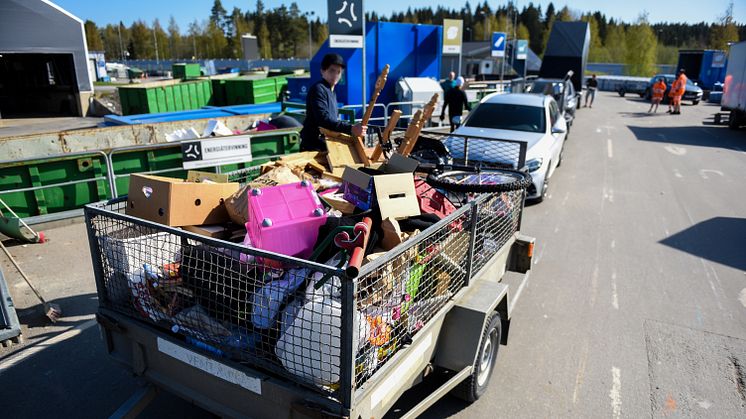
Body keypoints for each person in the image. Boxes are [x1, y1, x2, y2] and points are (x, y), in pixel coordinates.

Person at [300, 53, 366, 151]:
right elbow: (323, 119)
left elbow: (332, 119)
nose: (335, 75)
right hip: (313, 147)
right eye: (332, 71)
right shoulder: (318, 89)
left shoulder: (331, 91)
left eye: (338, 72)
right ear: (322, 71)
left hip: (324, 144)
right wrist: (350, 129)